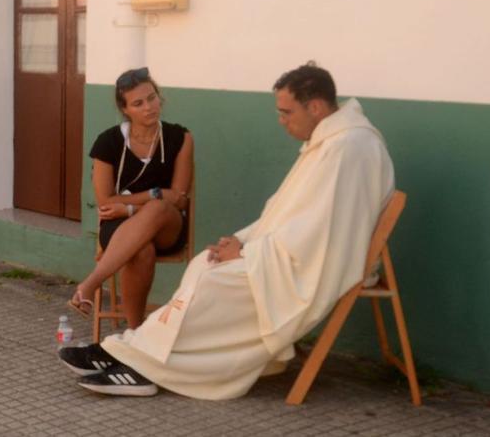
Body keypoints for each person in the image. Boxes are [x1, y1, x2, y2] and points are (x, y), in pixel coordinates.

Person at [58, 62, 395, 400]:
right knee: (206, 263)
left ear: (316, 107)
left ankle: (144, 364)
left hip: (315, 264)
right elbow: (286, 214)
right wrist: (243, 241)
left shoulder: (349, 148)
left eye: (286, 112)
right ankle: (135, 349)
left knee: (215, 280)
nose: (281, 120)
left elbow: (321, 232)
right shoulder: (332, 141)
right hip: (289, 252)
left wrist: (247, 252)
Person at [68, 68, 194, 331]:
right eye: (138, 103)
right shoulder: (109, 142)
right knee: (142, 249)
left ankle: (91, 284)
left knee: (160, 208)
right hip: (118, 227)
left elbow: (179, 200)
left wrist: (128, 208)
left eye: (152, 98)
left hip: (166, 227)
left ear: (160, 98)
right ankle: (135, 332)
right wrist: (152, 195)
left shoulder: (179, 138)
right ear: (126, 110)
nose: (149, 107)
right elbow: (106, 203)